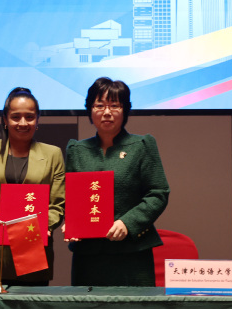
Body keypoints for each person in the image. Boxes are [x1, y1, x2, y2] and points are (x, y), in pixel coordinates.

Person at [64, 77, 169, 286]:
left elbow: (158, 193)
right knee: (87, 307)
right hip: (88, 256)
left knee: (135, 307)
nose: (107, 112)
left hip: (132, 254)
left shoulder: (141, 145)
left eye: (115, 105)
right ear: (89, 110)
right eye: (99, 105)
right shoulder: (77, 150)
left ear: (125, 110)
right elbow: (70, 197)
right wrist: (71, 223)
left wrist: (127, 223)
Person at [0, 87, 65, 285]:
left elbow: (57, 205)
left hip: (32, 249)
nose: (23, 123)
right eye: (16, 117)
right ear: (5, 119)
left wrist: (43, 225)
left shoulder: (53, 154)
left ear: (38, 120)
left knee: (30, 305)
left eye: (30, 117)